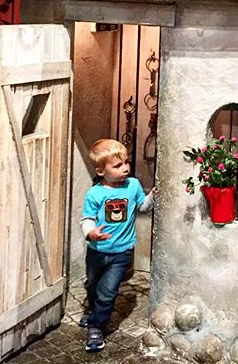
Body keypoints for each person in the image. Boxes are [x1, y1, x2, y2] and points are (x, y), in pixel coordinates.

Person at [80, 139, 155, 353]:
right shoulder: (95, 194)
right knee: (92, 285)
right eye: (118, 165)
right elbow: (87, 219)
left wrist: (152, 197)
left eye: (126, 162)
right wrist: (91, 232)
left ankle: (96, 327)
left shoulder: (133, 185)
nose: (125, 168)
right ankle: (93, 311)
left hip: (122, 251)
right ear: (101, 171)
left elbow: (142, 207)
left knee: (107, 291)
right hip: (96, 251)